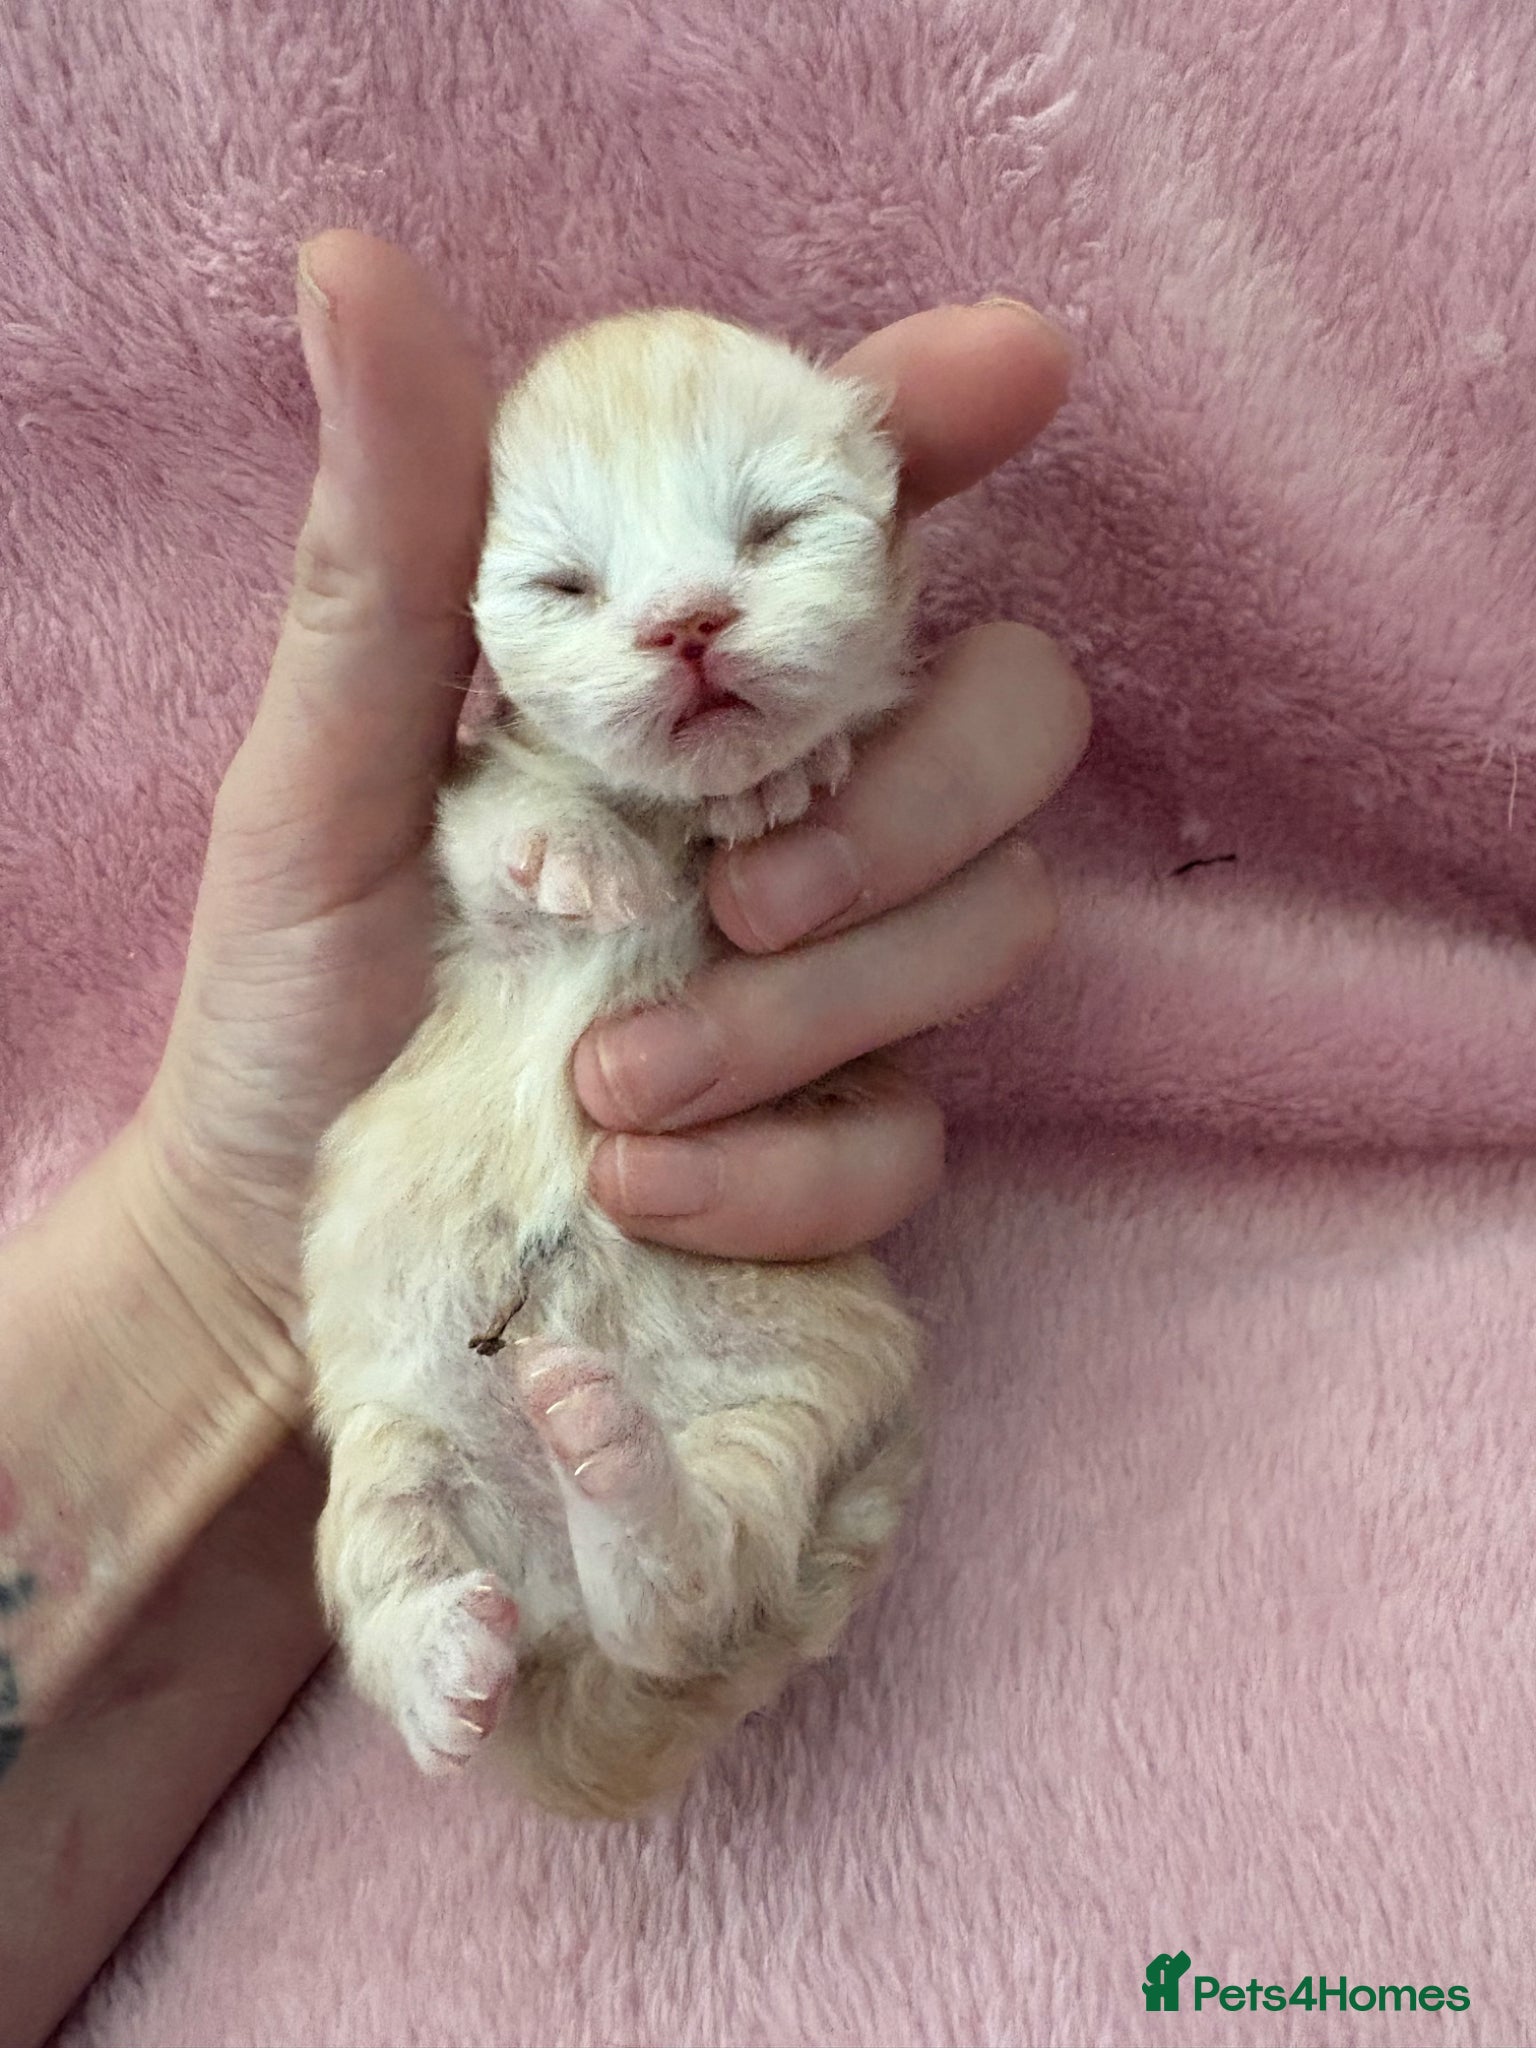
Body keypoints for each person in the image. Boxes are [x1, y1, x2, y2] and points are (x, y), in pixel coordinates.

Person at [0, 231, 1089, 2044]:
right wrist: (521, 861)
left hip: (684, 1303)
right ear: (487, 624)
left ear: (895, 541)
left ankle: (657, 1557)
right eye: (572, 583)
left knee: (818, 1373)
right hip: (433, 1247)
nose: (682, 613)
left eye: (767, 535)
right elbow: (487, 856)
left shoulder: (833, 785)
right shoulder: (499, 784)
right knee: (396, 1445)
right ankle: (449, 1592)